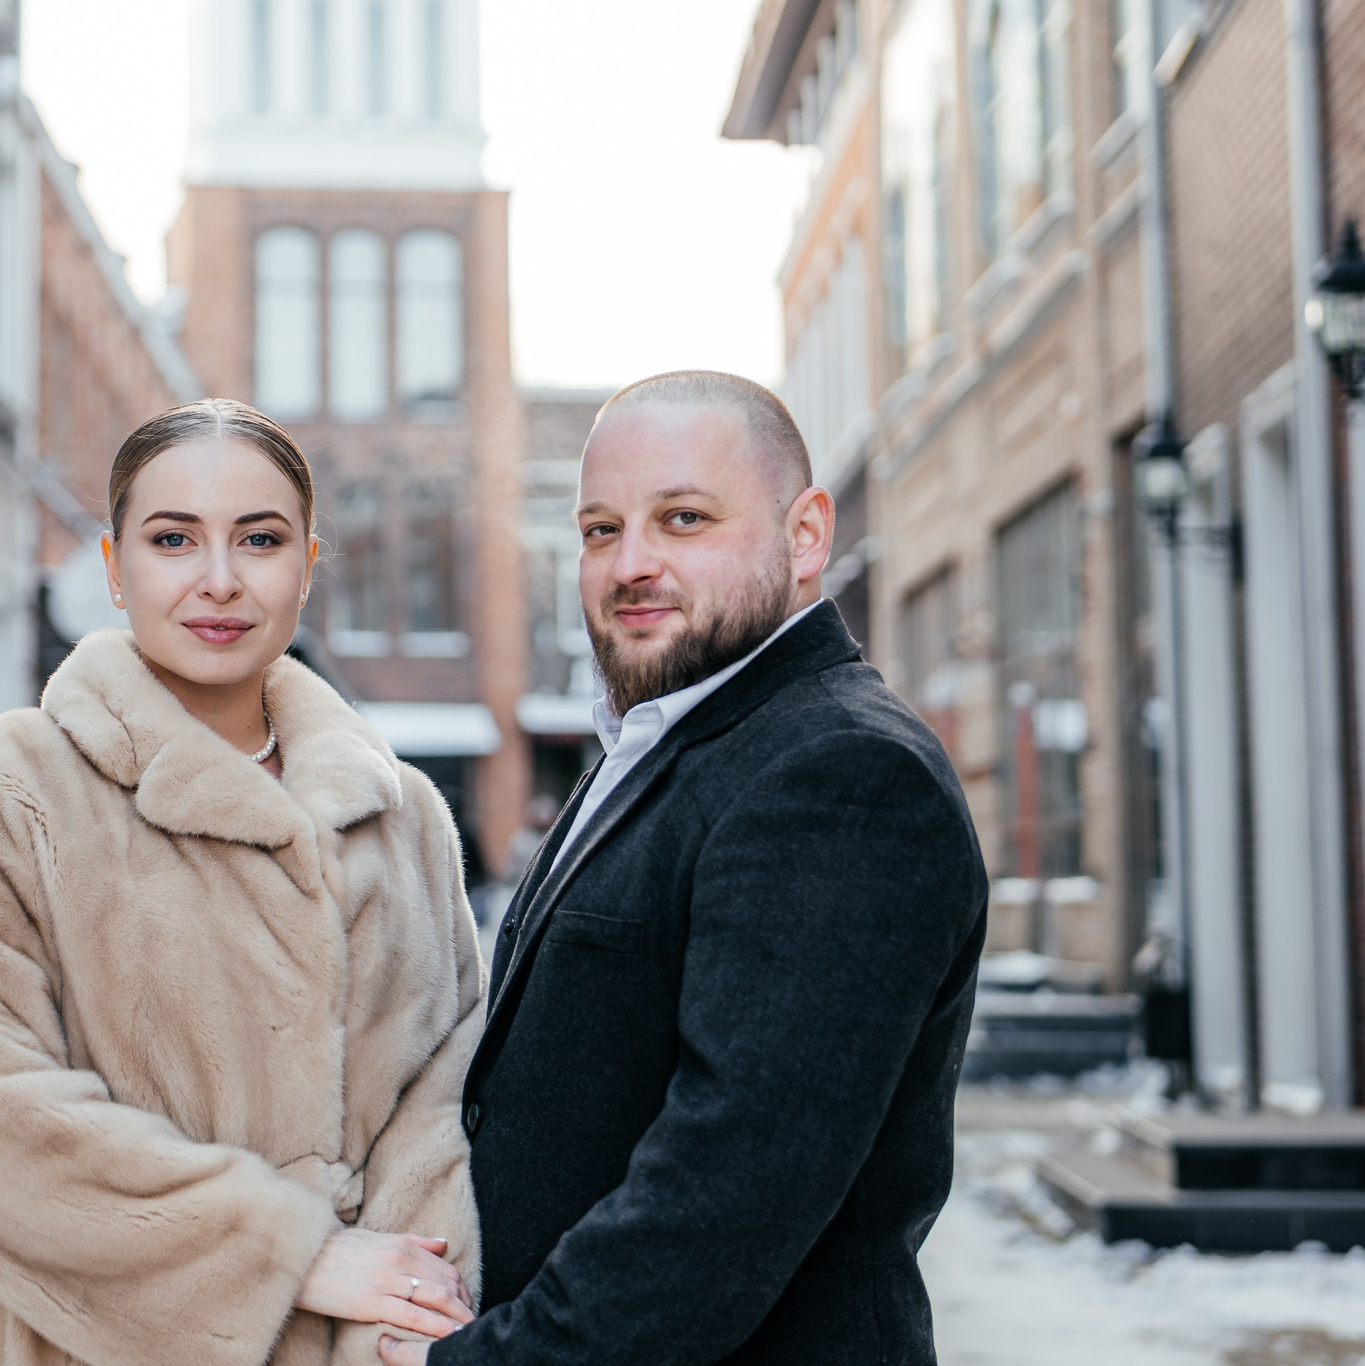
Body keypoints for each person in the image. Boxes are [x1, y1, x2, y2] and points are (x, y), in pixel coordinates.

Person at [388, 371, 988, 1366]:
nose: (631, 564)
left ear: (805, 536)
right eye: (598, 530)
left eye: (683, 519)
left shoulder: (838, 772)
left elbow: (729, 1195)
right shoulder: (667, 740)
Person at [0, 398, 483, 1366]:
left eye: (259, 539)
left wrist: (398, 1320)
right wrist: (283, 1255)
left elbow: (446, 1093)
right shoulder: (10, 787)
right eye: (173, 539)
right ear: (116, 570)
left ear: (307, 565)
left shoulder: (401, 811)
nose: (219, 581)